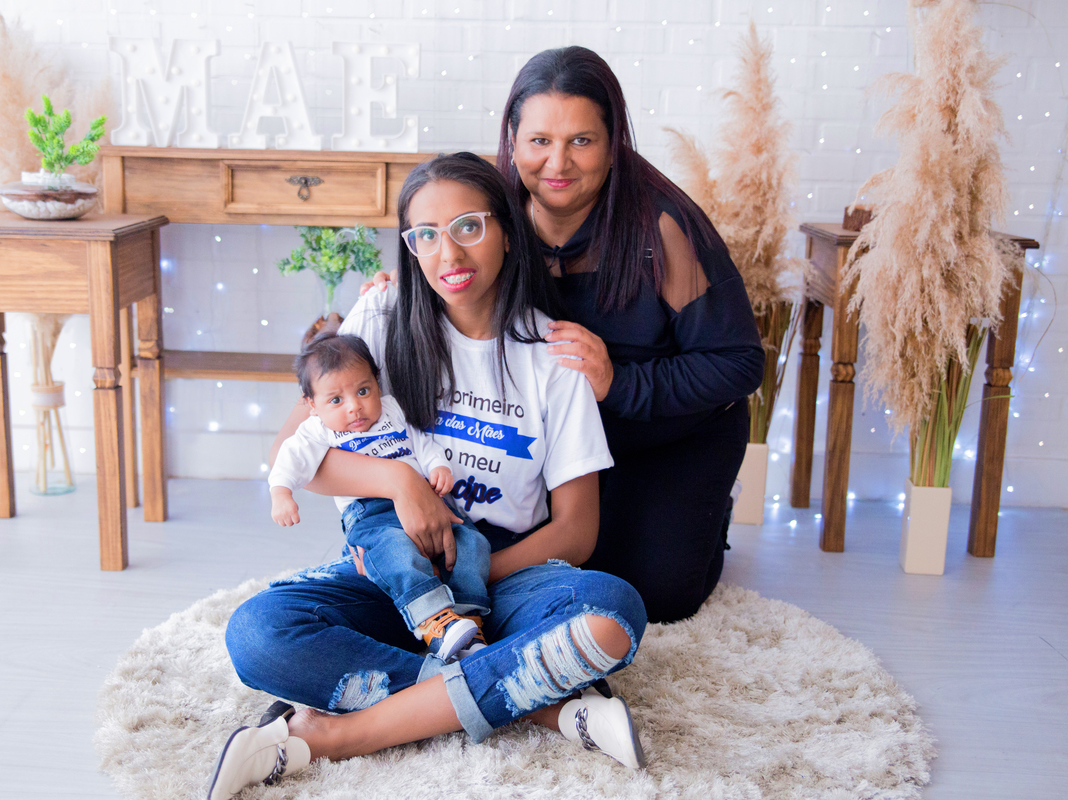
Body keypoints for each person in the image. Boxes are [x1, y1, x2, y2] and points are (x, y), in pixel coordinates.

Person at [209, 152, 648, 800]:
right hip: (397, 573)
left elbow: (578, 532)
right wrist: (402, 486)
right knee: (257, 634)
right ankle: (542, 704)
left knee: (615, 612)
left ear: (505, 228)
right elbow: (292, 454)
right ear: (408, 246)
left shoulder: (551, 354)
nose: (450, 253)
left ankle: (333, 736)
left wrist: (465, 574)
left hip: (507, 576)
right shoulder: (382, 321)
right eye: (426, 235)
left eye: (469, 226)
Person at [499, 46, 764, 624]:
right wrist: (402, 286)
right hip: (556, 447)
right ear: (513, 139)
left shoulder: (662, 223)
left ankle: (708, 517)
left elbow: (739, 363)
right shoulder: (492, 213)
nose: (558, 163)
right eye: (540, 140)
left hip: (668, 437)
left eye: (582, 141)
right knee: (533, 567)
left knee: (655, 597)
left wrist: (616, 382)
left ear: (613, 140)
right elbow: (441, 275)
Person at [268, 332, 489, 662]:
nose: (355, 406)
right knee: (394, 551)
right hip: (370, 512)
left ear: (376, 382)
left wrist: (438, 465)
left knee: (472, 543)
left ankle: (469, 616)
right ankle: (432, 621)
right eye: (336, 400)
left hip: (429, 502)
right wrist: (281, 493)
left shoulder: (391, 410)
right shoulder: (318, 431)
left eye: (362, 390)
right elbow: (288, 459)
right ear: (312, 405)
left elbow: (421, 442)